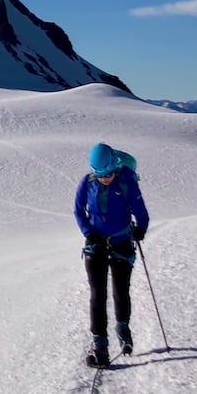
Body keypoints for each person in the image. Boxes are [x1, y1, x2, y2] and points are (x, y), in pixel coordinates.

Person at [74, 142, 150, 366]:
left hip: (121, 242)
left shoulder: (126, 180)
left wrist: (141, 228)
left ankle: (123, 329)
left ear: (115, 167)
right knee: (97, 294)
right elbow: (78, 211)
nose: (105, 178)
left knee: (120, 291)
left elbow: (140, 210)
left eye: (109, 174)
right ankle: (100, 346)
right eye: (101, 175)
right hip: (95, 244)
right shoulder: (87, 183)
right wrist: (89, 232)